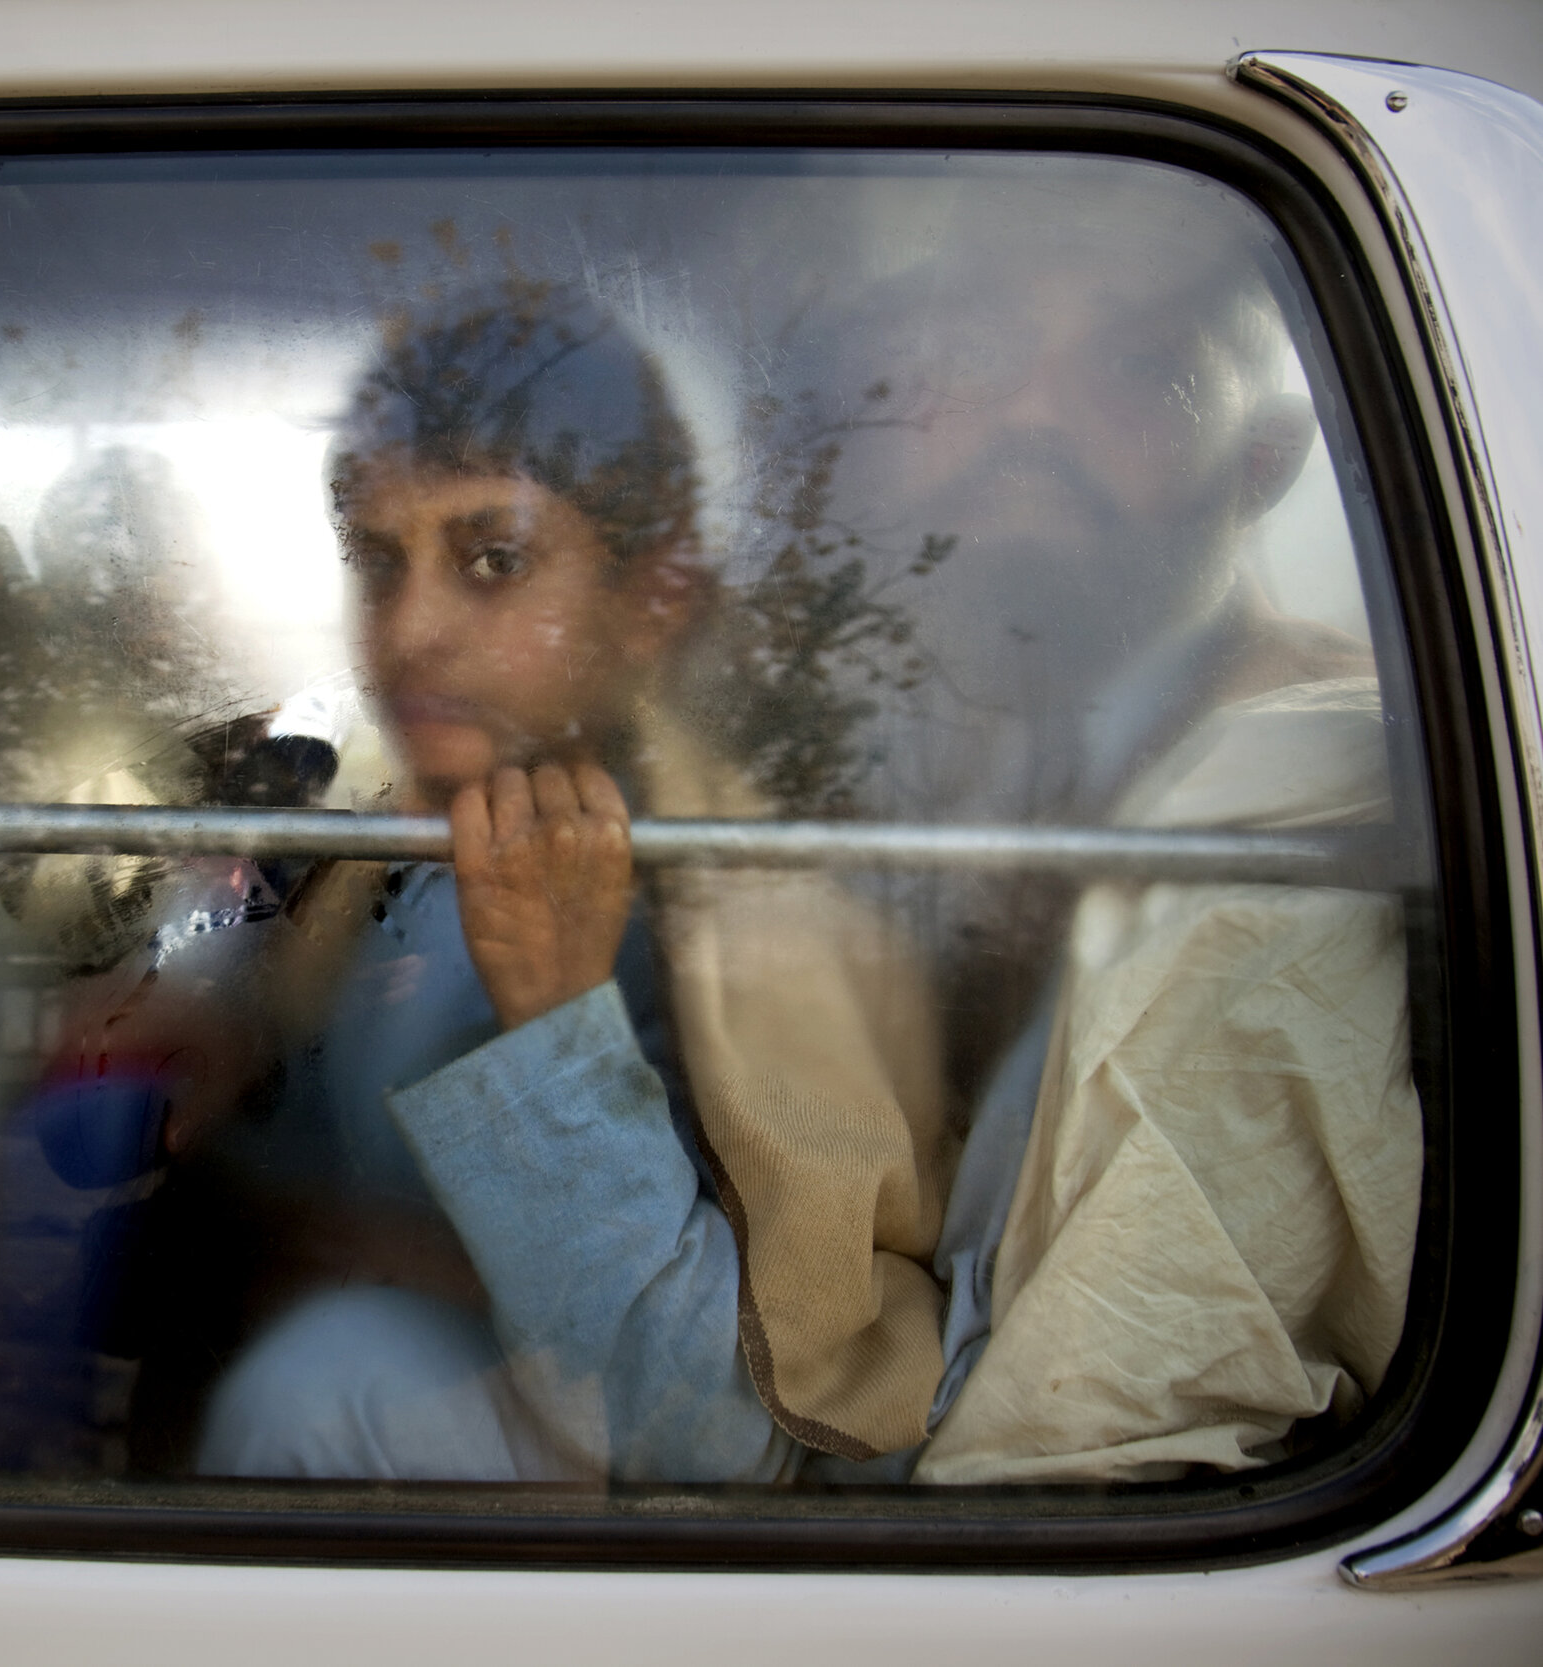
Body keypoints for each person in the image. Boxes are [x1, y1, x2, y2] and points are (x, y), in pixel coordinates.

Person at [180, 286, 951, 1482]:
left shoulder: (753, 920)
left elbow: (728, 1445)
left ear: (654, 602)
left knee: (329, 1377)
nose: (411, 631)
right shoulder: (380, 845)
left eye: (493, 559)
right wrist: (221, 1041)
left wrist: (557, 1024)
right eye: (378, 561)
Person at [803, 174, 1427, 1481]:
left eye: (1140, 366)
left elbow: (1111, 1416)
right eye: (986, 355)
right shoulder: (909, 717)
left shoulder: (1301, 806)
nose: (1029, 416)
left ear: (1265, 461)